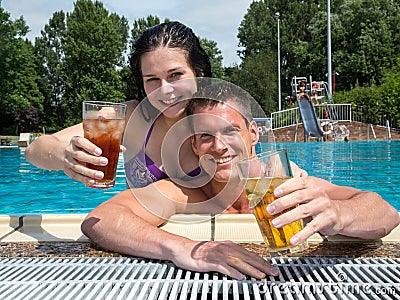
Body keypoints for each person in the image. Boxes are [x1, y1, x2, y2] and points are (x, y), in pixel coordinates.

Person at [81, 82, 400, 280]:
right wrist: (188, 250)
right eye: (205, 136)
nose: (218, 146)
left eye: (230, 131)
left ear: (253, 133)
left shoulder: (286, 183)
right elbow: (101, 221)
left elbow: (385, 212)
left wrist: (338, 214)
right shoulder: (186, 192)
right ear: (194, 145)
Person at [24, 21, 210, 188]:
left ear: (199, 74)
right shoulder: (129, 116)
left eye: (175, 75)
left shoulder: (220, 118)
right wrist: (64, 154)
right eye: (152, 79)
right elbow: (34, 150)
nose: (165, 89)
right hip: (135, 225)